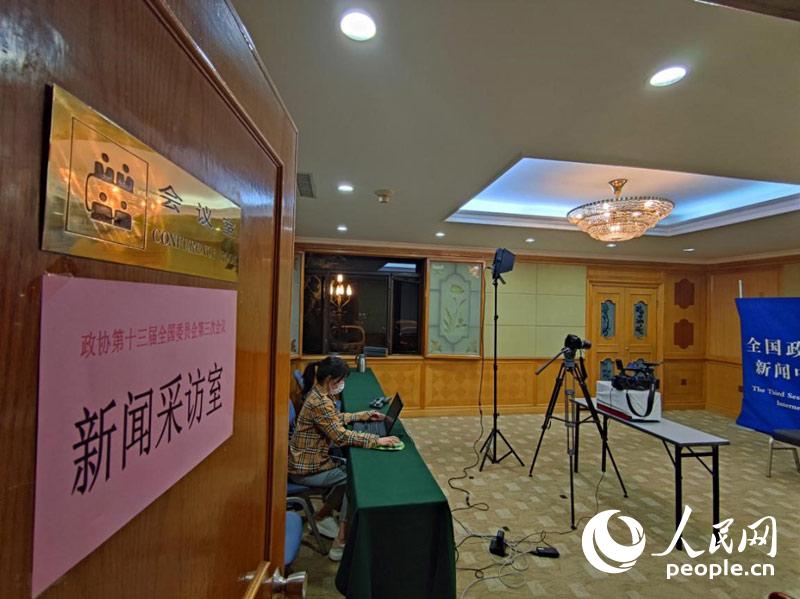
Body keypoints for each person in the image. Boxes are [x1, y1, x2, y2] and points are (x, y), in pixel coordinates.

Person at [289, 356, 400, 561]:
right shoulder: (320, 402)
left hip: (308, 460)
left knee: (347, 471)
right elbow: (340, 436)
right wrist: (377, 440)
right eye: (341, 380)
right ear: (330, 379)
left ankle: (322, 515)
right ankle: (340, 542)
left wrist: (361, 415)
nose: (342, 384)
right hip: (305, 469)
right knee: (353, 480)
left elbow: (332, 420)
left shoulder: (319, 393)